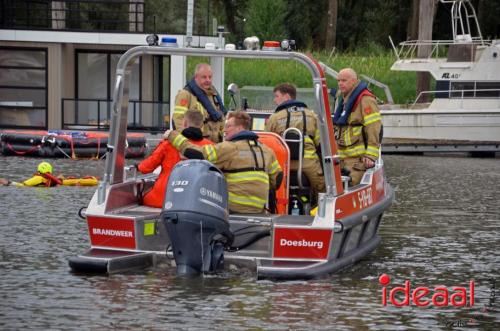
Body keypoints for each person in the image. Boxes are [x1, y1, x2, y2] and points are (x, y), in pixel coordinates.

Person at [165, 110, 283, 214]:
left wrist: (173, 135)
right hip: (258, 209)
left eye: (228, 126)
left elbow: (198, 153)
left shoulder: (229, 148)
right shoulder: (267, 150)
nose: (225, 130)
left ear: (240, 128)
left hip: (232, 208)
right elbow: (277, 179)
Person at [137, 109, 213, 208]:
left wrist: (138, 166)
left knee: (142, 197)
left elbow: (146, 167)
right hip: (194, 202)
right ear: (202, 125)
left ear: (185, 123)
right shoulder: (210, 147)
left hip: (163, 199)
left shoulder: (168, 144)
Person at [265, 83, 325, 197]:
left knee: (274, 188)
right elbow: (320, 143)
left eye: (277, 96)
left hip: (283, 163)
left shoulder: (274, 118)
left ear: (287, 97)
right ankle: (316, 210)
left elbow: (268, 144)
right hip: (308, 163)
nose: (274, 100)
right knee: (322, 189)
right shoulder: (311, 115)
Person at [333, 68, 382, 185]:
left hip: (357, 160)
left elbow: (373, 128)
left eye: (344, 80)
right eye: (338, 80)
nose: (340, 83)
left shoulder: (365, 99)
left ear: (354, 81)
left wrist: (370, 156)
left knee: (350, 186)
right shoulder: (344, 99)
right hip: (341, 158)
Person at [172, 63, 226, 143]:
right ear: (196, 77)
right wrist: (186, 144)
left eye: (210, 77)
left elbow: (222, 119)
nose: (208, 80)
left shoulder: (213, 95)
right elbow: (178, 121)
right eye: (204, 77)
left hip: (214, 145)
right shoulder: (185, 95)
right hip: (196, 144)